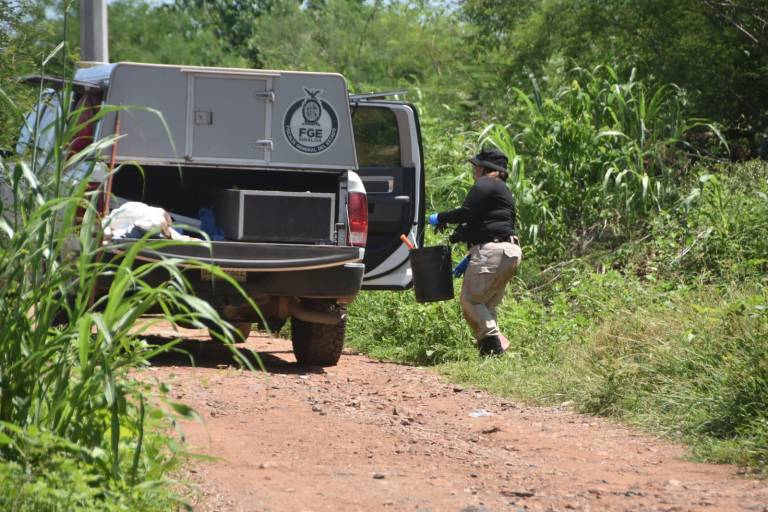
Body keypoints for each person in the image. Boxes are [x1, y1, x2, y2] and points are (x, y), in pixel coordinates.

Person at [428, 148, 522, 356]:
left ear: (482, 168)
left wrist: (440, 217)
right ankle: (490, 356)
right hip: (509, 252)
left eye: (475, 166)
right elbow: (482, 224)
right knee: (486, 305)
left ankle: (495, 346)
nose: (474, 170)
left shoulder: (485, 183)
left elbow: (467, 212)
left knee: (471, 301)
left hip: (493, 251)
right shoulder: (501, 190)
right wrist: (464, 247)